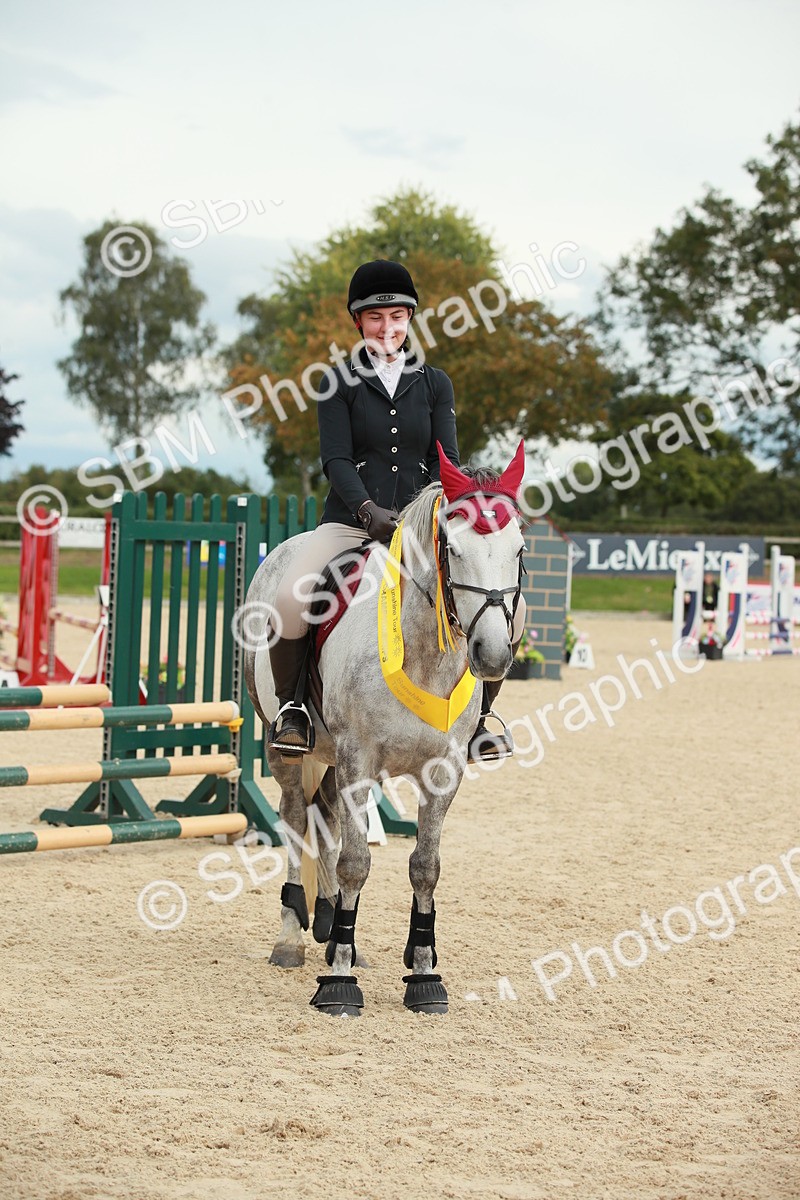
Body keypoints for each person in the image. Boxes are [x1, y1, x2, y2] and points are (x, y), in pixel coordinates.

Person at [267, 259, 525, 761]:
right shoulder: (336, 382)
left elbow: (444, 460)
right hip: (349, 522)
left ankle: (481, 718)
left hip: (420, 526)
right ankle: (293, 708)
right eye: (375, 317)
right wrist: (366, 510)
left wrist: (428, 516)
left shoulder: (435, 383)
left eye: (397, 317)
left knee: (508, 608)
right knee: (290, 598)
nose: (387, 328)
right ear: (358, 321)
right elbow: (336, 459)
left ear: (409, 319)